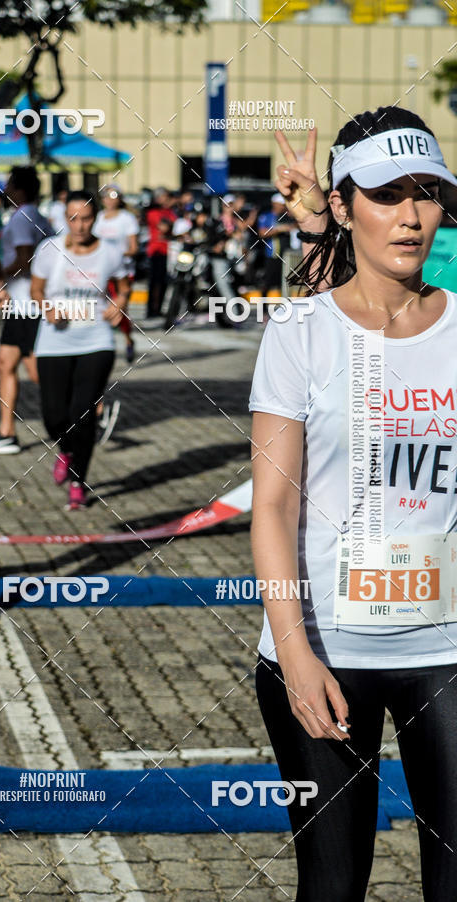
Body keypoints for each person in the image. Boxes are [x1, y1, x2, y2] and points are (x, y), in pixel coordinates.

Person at [250, 108, 457, 901]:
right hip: (323, 649)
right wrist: (294, 653)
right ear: (343, 204)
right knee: (332, 888)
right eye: (384, 193)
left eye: (426, 194)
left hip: (444, 649)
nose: (409, 215)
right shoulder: (299, 330)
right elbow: (272, 506)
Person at [29, 190, 129, 510]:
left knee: (83, 414)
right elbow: (36, 289)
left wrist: (120, 304)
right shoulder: (49, 249)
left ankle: (78, 481)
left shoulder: (110, 252)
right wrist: (47, 308)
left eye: (86, 218)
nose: (80, 225)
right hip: (54, 340)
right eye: (73, 218)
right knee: (54, 415)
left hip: (96, 340)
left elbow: (124, 286)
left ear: (96, 218)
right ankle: (66, 450)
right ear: (64, 218)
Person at [0, 166, 53, 454]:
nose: (4, 190)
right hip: (23, 304)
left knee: (36, 371)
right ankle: (6, 433)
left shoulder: (22, 217)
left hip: (26, 304)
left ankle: (91, 409)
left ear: (18, 189)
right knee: (7, 364)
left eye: (8, 185)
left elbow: (24, 260)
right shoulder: (38, 215)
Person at [93, 183, 137, 362]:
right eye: (106, 197)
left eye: (114, 197)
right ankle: (101, 344)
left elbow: (133, 248)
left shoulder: (127, 219)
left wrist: (115, 255)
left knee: (121, 309)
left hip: (123, 272)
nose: (110, 201)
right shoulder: (98, 218)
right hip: (101, 271)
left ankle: (128, 340)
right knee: (100, 307)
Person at [257, 191, 296, 296]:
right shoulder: (266, 216)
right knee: (268, 280)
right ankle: (263, 304)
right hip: (272, 253)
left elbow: (295, 226)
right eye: (281, 204)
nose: (283, 207)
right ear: (274, 203)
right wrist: (279, 229)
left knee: (284, 280)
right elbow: (262, 233)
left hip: (286, 254)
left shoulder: (287, 216)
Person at [145, 188, 176, 318]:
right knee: (154, 281)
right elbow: (164, 227)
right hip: (156, 250)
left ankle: (159, 309)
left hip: (168, 250)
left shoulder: (169, 212)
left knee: (164, 281)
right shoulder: (153, 213)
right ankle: (151, 310)